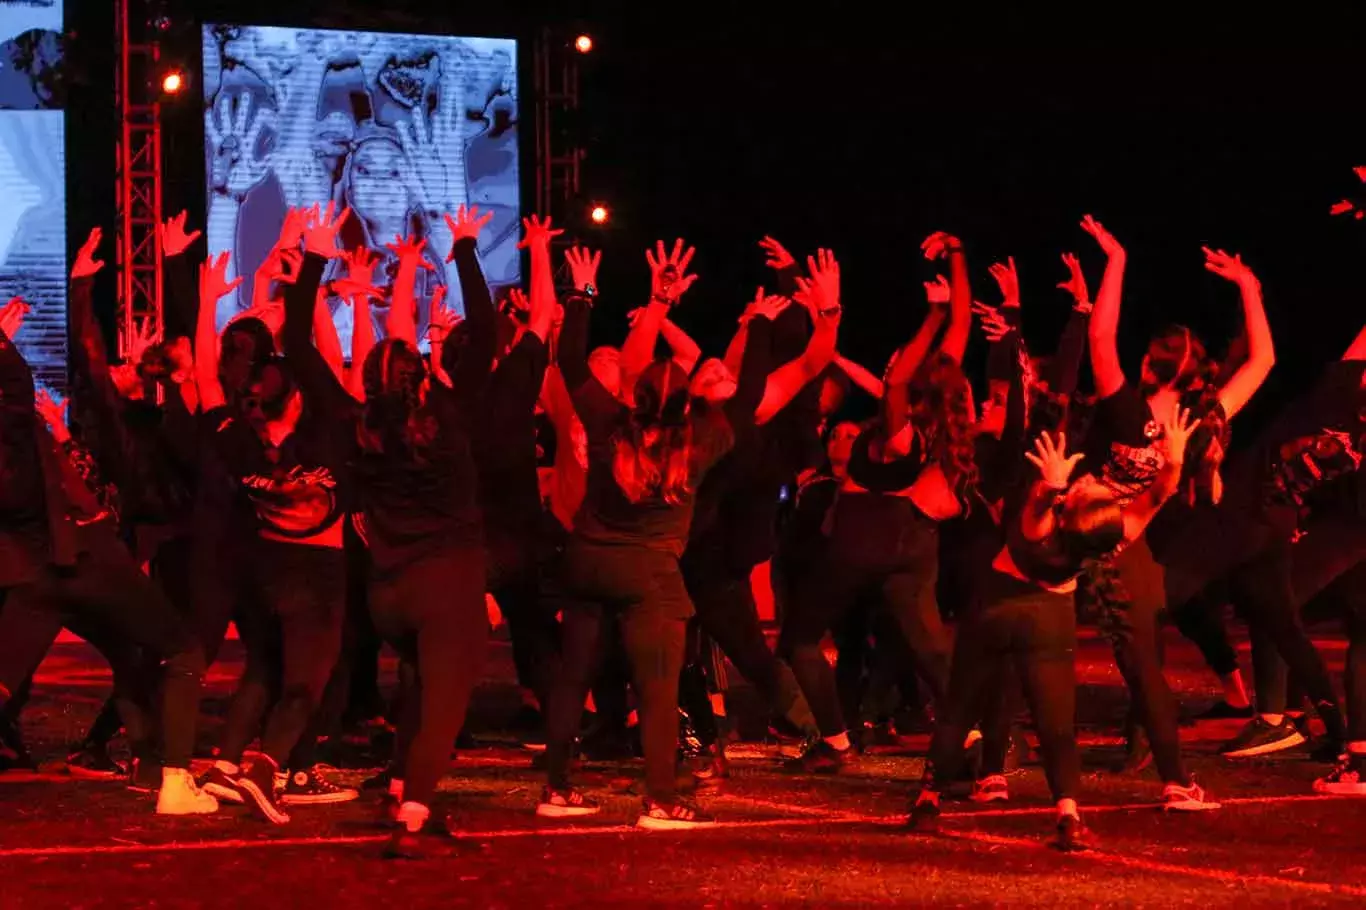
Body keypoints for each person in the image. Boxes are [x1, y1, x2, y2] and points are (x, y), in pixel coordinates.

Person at [539, 238, 818, 828]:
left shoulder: (609, 421)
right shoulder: (702, 441)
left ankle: (557, 786)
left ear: (634, 396)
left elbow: (568, 362)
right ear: (686, 403)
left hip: (586, 559)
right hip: (650, 574)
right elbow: (743, 400)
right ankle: (661, 797)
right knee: (658, 686)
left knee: (573, 675)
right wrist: (760, 328)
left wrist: (585, 296)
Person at [910, 406, 1201, 851]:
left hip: (996, 608)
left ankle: (928, 803)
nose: (1090, 481)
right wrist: (1175, 459)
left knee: (959, 707)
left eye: (1087, 489)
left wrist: (1051, 483)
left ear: (1071, 513)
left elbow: (1038, 509)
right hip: (1050, 620)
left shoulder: (1045, 527)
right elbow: (1158, 495)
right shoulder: (1112, 534)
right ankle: (1068, 815)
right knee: (1056, 724)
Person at [0, 296, 215, 815]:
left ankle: (143, 760)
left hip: (36, 573)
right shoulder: (70, 423)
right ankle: (176, 782)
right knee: (183, 651)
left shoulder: (111, 429)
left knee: (125, 656)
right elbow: (59, 383)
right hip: (87, 557)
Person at [1079, 216, 1272, 790]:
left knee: (1127, 642)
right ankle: (1151, 742)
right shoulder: (1204, 415)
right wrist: (1250, 287)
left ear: (1148, 365)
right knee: (1144, 643)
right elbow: (1262, 363)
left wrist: (1116, 260)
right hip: (1168, 533)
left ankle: (1145, 742)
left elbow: (1098, 338)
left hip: (1120, 533)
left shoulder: (1126, 411)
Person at [780, 231, 972, 773]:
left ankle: (836, 743)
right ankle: (979, 735)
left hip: (863, 536)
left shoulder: (899, 429)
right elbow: (961, 328)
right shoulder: (938, 413)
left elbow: (899, 379)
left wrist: (930, 320)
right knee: (929, 647)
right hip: (909, 540)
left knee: (797, 639)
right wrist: (957, 257)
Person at [353, 204, 499, 858]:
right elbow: (487, 329)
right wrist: (463, 248)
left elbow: (390, 346)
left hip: (387, 591)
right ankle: (412, 814)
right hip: (446, 584)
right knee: (446, 700)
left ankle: (398, 787)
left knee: (417, 686)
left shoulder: (370, 426)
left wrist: (407, 267)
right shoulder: (446, 413)